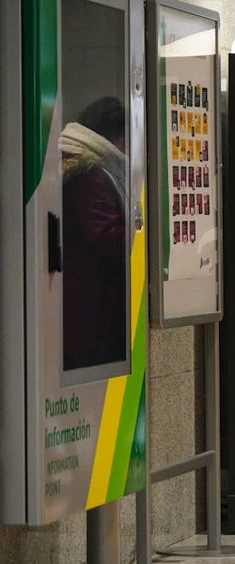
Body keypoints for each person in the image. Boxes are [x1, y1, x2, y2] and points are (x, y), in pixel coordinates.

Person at [60, 96, 129, 371]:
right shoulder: (92, 174)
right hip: (90, 306)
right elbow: (106, 235)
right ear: (113, 138)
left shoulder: (72, 162)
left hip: (77, 302)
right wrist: (146, 236)